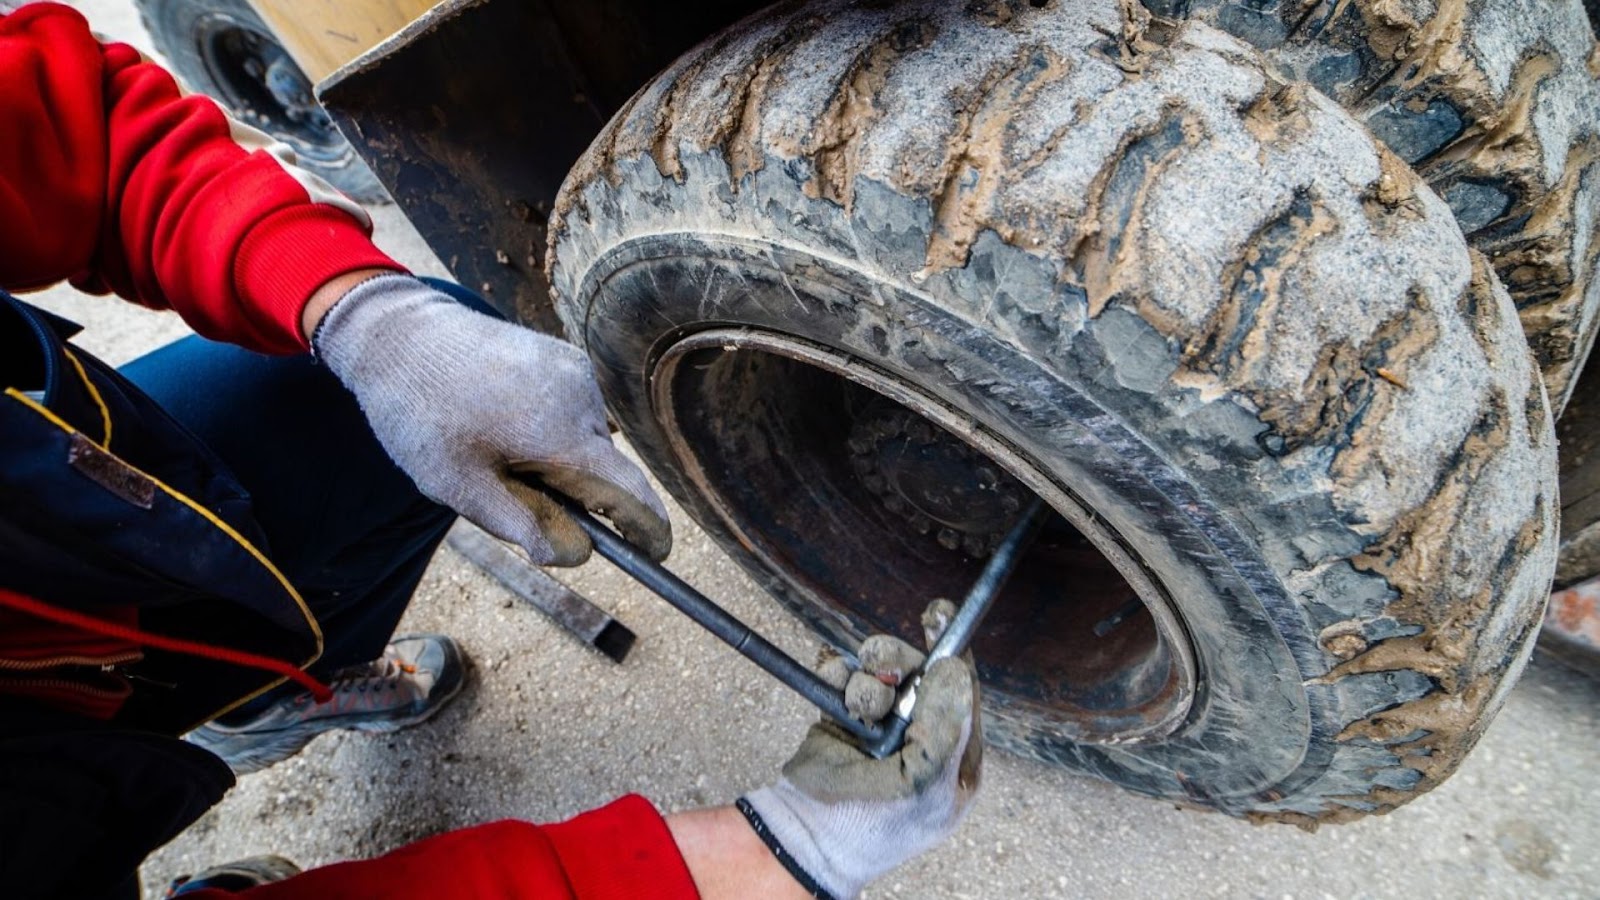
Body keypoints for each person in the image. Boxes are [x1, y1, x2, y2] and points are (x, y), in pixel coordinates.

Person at [0, 3, 983, 898]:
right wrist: (787, 850)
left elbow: (76, 130)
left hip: (61, 551)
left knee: (386, 411)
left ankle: (251, 693)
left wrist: (365, 318)